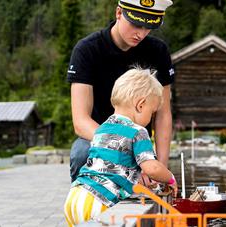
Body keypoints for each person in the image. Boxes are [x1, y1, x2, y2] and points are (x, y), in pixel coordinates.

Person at [67, 0, 175, 183]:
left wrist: (160, 169)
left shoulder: (158, 52)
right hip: (97, 136)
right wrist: (124, 145)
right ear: (119, 13)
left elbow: (163, 114)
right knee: (81, 153)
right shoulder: (87, 50)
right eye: (135, 24)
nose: (140, 33)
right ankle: (85, 208)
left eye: (148, 27)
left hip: (140, 142)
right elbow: (80, 121)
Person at [64, 68, 178, 226]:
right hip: (100, 201)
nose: (151, 118)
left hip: (76, 197)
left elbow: (113, 168)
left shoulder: (102, 128)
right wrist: (170, 178)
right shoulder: (138, 132)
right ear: (140, 105)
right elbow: (152, 168)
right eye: (152, 113)